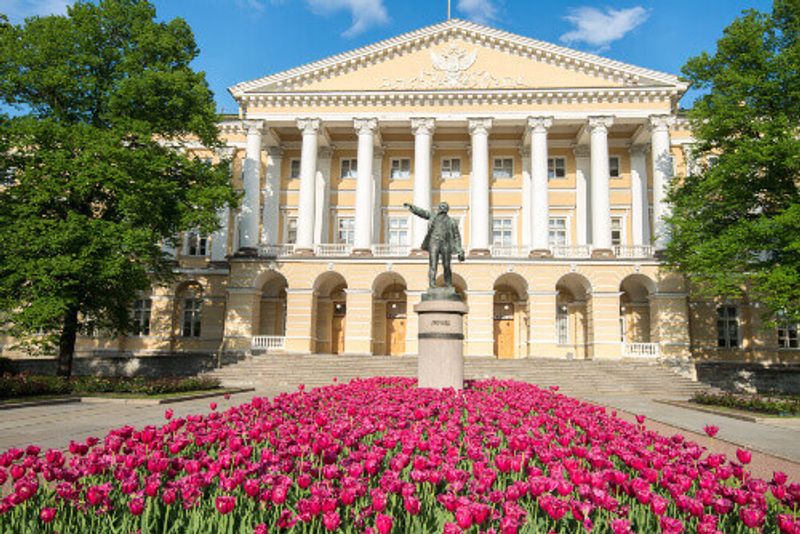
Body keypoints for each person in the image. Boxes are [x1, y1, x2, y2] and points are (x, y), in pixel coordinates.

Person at [403, 201, 465, 288]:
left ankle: (448, 284)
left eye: (444, 207)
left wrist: (459, 250)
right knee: (433, 264)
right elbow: (422, 213)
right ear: (439, 209)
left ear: (447, 209)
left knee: (447, 265)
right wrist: (412, 207)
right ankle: (432, 284)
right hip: (434, 242)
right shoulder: (433, 217)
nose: (443, 208)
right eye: (441, 206)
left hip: (446, 244)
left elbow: (456, 236)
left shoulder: (452, 222)